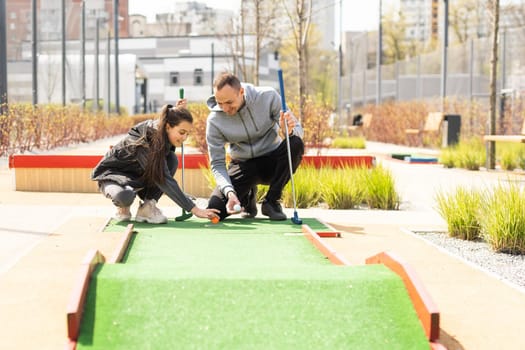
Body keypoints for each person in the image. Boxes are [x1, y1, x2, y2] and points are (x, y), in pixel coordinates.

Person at [92, 102, 220, 224]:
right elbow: (164, 179)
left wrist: (177, 112)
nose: (184, 138)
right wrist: (195, 209)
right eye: (182, 132)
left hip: (138, 178)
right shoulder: (147, 139)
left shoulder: (162, 132)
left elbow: (166, 121)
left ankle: (147, 207)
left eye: (187, 134)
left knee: (171, 159)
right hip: (113, 176)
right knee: (125, 196)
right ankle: (123, 207)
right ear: (168, 127)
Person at [206, 72, 304, 221]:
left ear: (241, 92)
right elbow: (217, 164)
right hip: (242, 165)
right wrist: (229, 192)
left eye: (229, 102)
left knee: (295, 142)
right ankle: (247, 197)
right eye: (220, 103)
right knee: (215, 209)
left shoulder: (268, 96)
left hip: (272, 162)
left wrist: (289, 131)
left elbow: (298, 131)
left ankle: (271, 201)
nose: (225, 108)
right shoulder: (214, 120)